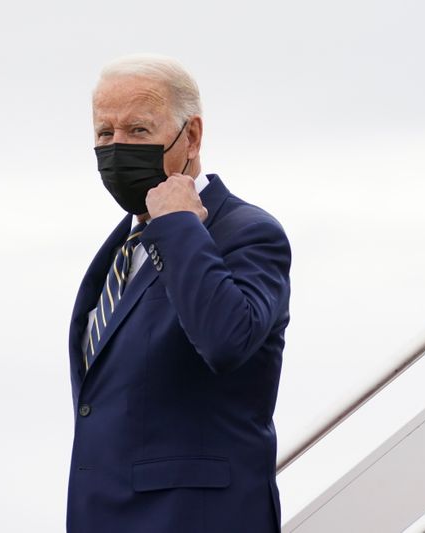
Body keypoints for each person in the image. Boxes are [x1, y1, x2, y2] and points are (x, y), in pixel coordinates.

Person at [66, 54, 291, 533]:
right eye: (105, 134)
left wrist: (178, 225)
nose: (117, 148)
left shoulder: (248, 233)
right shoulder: (119, 249)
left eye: (139, 131)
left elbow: (227, 340)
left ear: (190, 137)